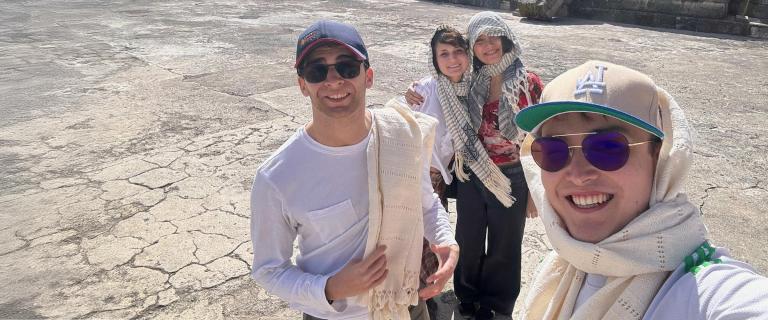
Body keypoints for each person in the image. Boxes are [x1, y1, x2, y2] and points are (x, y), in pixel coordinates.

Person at [515, 60, 768, 319]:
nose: (578, 175)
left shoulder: (708, 293)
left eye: (608, 148)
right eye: (553, 151)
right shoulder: (565, 261)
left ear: (658, 155)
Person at [249, 20, 460, 320]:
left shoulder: (400, 135)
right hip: (333, 314)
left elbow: (424, 202)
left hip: (406, 303)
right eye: (317, 71)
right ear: (302, 85)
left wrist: (446, 240)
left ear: (368, 76)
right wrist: (331, 287)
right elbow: (268, 270)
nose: (334, 80)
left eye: (347, 67)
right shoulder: (277, 176)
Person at [454, 11, 542, 319]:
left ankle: (494, 304)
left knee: (505, 245)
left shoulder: (527, 82)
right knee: (468, 239)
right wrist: (414, 93)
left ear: (506, 38)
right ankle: (466, 294)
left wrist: (534, 191)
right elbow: (438, 87)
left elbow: (538, 137)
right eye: (479, 40)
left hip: (511, 175)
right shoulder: (470, 79)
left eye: (493, 37)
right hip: (473, 173)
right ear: (472, 47)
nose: (488, 45)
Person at [405, 25, 472, 320]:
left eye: (458, 51)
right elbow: (401, 119)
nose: (452, 59)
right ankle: (414, 295)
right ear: (435, 59)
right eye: (443, 53)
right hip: (419, 175)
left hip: (442, 178)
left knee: (432, 241)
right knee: (416, 239)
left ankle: (427, 291)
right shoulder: (426, 89)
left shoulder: (472, 90)